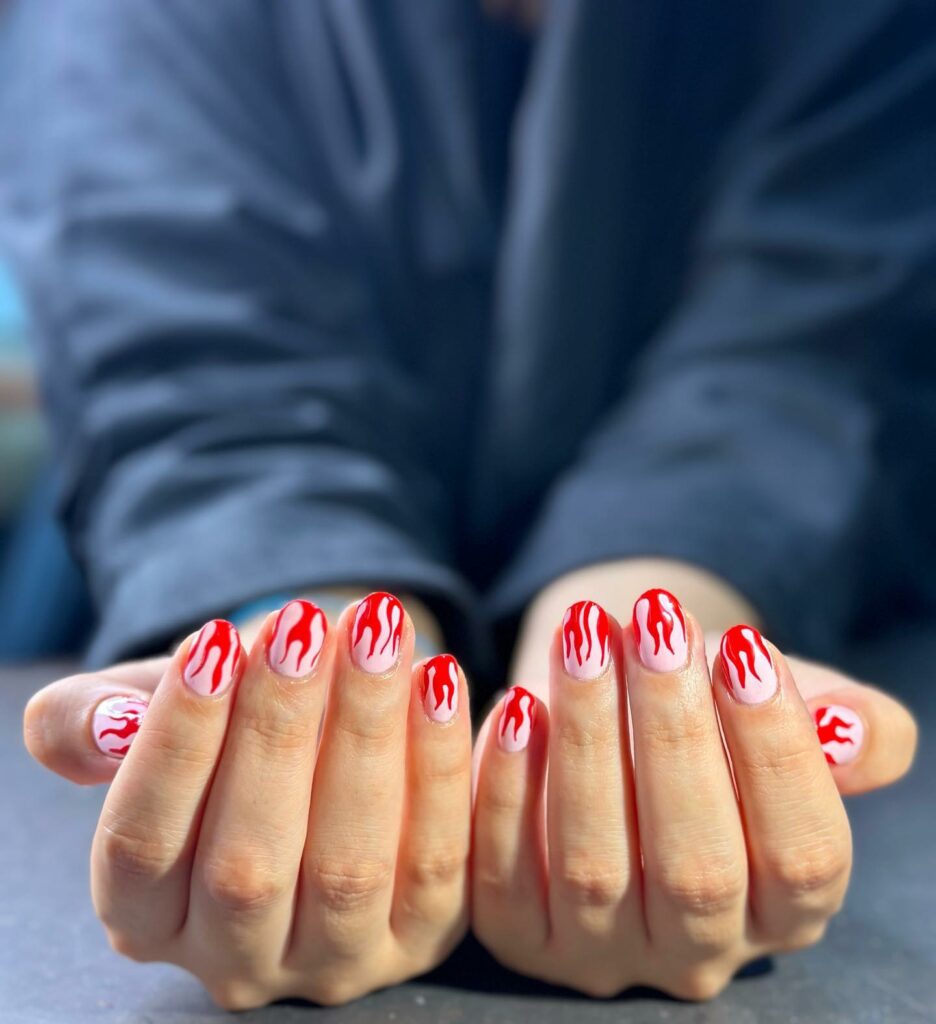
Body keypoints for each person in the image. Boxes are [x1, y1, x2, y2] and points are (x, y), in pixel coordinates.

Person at [0, 0, 928, 1009]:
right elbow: (190, 362)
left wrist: (659, 638)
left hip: (811, 575)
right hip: (224, 549)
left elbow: (819, 344)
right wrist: (309, 661)